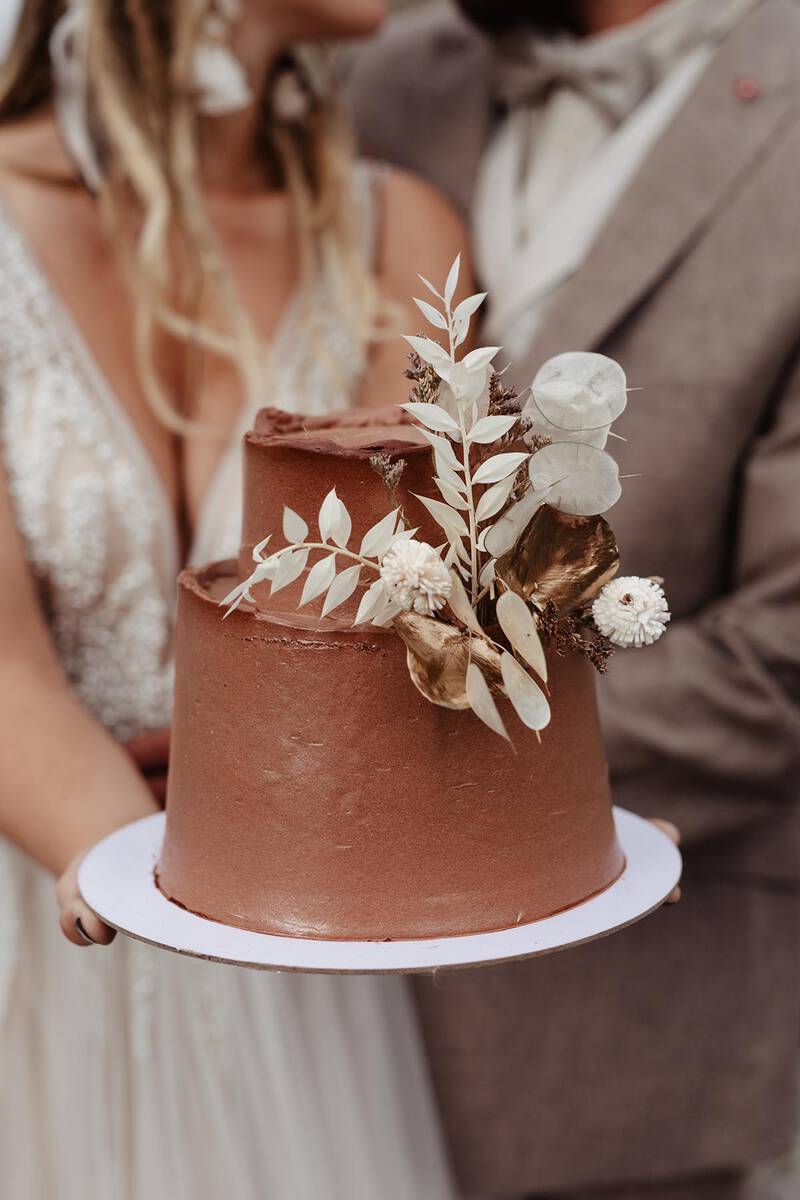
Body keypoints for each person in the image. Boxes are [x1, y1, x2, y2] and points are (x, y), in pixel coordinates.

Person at [0, 2, 470, 1197]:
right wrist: (132, 879)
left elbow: (401, 620)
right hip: (43, 905)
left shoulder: (393, 232)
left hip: (298, 922)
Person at [345, 1, 800, 1198]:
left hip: (621, 1031)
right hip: (304, 1024)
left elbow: (781, 658)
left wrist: (377, 735)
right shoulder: (384, 79)